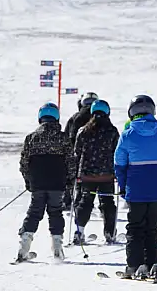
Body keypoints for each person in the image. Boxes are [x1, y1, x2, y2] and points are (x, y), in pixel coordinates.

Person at [114, 95, 157, 279]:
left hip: (136, 191)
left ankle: (134, 265)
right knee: (152, 228)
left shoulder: (127, 136)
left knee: (135, 228)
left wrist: (124, 187)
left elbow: (120, 165)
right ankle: (151, 264)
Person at [16, 102, 76, 262]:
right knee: (55, 212)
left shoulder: (31, 138)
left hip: (38, 183)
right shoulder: (63, 138)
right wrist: (70, 180)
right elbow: (71, 161)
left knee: (34, 212)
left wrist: (28, 181)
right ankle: (57, 248)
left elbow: (24, 163)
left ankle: (24, 248)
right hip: (57, 183)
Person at [72, 99, 120, 245]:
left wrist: (76, 173)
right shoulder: (112, 131)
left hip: (87, 175)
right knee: (107, 203)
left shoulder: (83, 131)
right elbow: (117, 152)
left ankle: (79, 231)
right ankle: (109, 232)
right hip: (107, 175)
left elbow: (77, 152)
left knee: (85, 201)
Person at [63, 91, 99, 208]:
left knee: (73, 180)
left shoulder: (75, 117)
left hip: (76, 155)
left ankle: (69, 201)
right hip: (98, 156)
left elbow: (67, 136)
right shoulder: (100, 117)